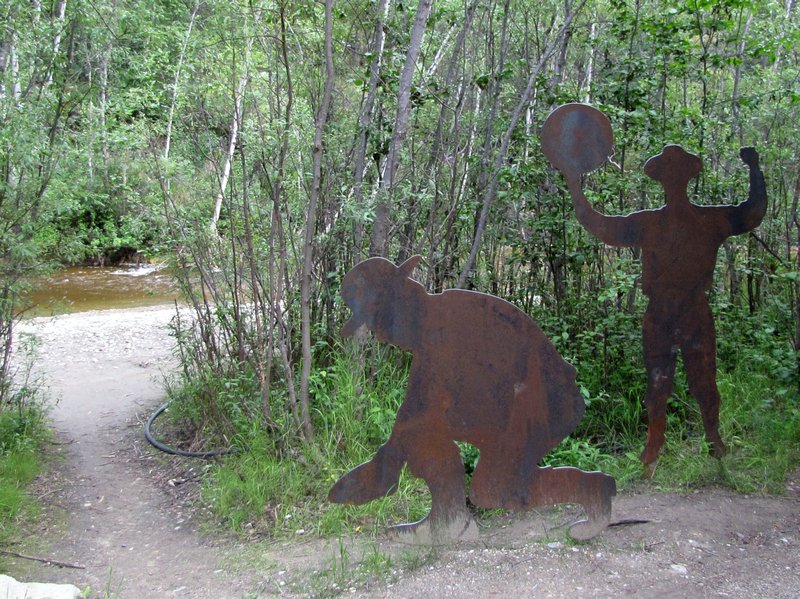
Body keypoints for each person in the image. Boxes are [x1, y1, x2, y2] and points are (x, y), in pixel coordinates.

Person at [562, 144, 767, 472]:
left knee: (704, 378)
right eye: (667, 172)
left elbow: (752, 213)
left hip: (694, 310)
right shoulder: (649, 223)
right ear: (662, 179)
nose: (673, 178)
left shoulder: (709, 220)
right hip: (660, 313)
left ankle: (713, 437)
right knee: (658, 379)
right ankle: (655, 440)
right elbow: (598, 224)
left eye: (677, 171)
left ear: (687, 176)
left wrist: (755, 170)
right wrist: (573, 183)